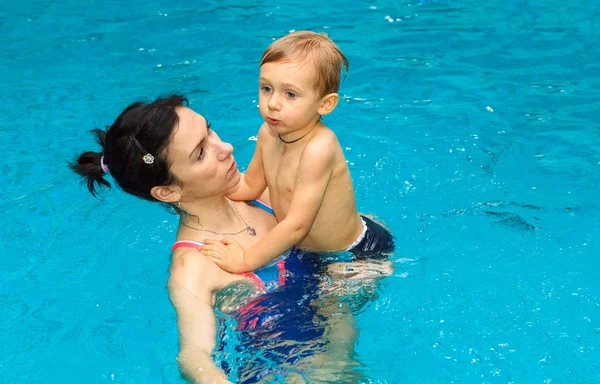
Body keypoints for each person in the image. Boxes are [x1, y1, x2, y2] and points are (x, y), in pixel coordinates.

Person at [69, 95, 373, 383]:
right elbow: (193, 355)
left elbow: (343, 231)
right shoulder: (194, 268)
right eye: (201, 152)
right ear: (168, 192)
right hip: (285, 370)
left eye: (210, 130)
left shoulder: (263, 195)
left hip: (339, 345)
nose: (225, 147)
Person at [200, 31, 394, 274]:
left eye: (290, 94)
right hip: (309, 250)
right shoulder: (267, 134)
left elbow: (296, 226)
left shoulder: (318, 149)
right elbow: (249, 186)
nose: (273, 103)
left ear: (325, 104)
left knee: (331, 308)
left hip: (354, 253)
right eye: (267, 88)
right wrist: (204, 187)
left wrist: (244, 260)